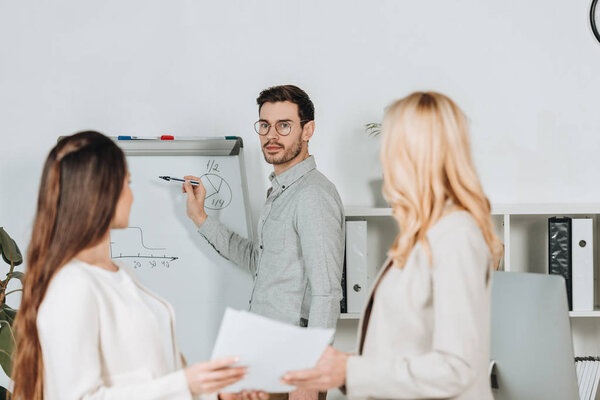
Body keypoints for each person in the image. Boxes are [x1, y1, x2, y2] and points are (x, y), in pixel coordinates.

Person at [11, 131, 267, 400]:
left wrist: (217, 394)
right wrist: (187, 384)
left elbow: (159, 378)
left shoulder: (120, 276)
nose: (131, 196)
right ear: (102, 191)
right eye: (127, 183)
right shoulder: (72, 285)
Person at [282, 92, 503, 400]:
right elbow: (400, 343)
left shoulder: (456, 236)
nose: (384, 158)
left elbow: (457, 368)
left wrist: (350, 370)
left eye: (391, 145)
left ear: (417, 153)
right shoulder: (422, 233)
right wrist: (337, 368)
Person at [184, 85, 345, 400]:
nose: (272, 135)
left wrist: (310, 377)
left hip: (294, 364)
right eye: (265, 125)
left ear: (307, 130)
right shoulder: (281, 193)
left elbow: (326, 291)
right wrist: (200, 218)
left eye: (284, 125)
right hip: (264, 355)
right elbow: (259, 261)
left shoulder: (312, 195)